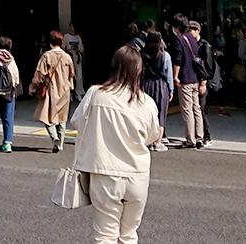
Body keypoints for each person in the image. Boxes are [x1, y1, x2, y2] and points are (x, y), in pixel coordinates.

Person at [70, 45, 163, 244]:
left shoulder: (96, 94)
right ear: (138, 70)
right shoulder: (146, 102)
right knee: (129, 235)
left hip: (104, 173)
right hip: (137, 175)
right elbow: (153, 135)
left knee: (105, 236)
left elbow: (76, 122)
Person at [30, 30, 76, 153]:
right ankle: (60, 144)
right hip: (65, 91)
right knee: (62, 118)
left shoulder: (46, 56)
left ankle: (54, 137)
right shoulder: (67, 57)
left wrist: (33, 87)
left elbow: (39, 75)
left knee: (46, 117)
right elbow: (72, 75)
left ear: (50, 42)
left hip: (51, 90)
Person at [169, 17, 206, 149]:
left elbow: (178, 60)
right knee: (196, 108)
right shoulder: (192, 38)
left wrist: (175, 76)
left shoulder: (179, 40)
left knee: (187, 110)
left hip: (185, 79)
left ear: (177, 28)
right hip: (195, 78)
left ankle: (190, 140)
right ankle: (199, 137)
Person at [139, 31, 173, 152]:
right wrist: (171, 90)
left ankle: (147, 141)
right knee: (160, 114)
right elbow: (168, 75)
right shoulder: (165, 56)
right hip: (160, 85)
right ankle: (157, 142)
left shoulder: (141, 54)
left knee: (145, 113)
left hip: (145, 85)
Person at [64, 22, 85, 101]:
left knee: (79, 76)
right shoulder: (66, 36)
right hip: (69, 56)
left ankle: (78, 92)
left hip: (77, 57)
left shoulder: (78, 37)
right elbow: (63, 46)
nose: (72, 28)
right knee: (69, 75)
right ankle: (70, 93)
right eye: (70, 26)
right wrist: (69, 48)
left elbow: (82, 49)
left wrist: (77, 48)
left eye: (73, 26)